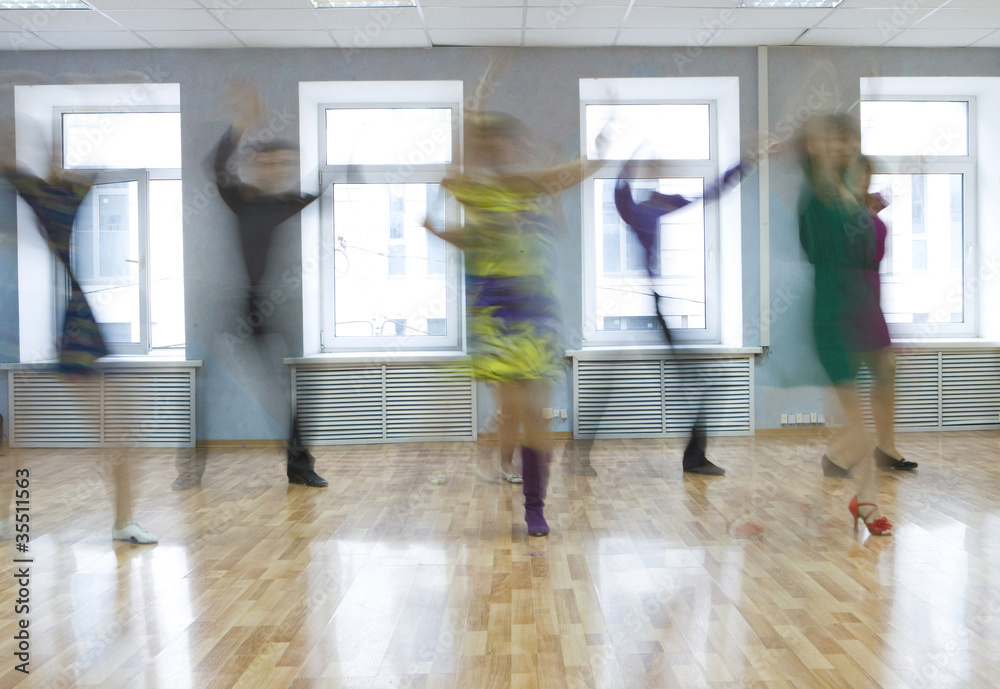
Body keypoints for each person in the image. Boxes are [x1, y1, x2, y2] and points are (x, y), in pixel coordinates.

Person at [426, 112, 602, 536]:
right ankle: (511, 473)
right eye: (495, 144)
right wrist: (467, 119)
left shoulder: (533, 186)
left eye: (510, 143)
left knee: (536, 417)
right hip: (498, 322)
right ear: (486, 150)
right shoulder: (477, 192)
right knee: (514, 411)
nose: (505, 150)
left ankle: (535, 508)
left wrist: (603, 149)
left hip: (538, 320)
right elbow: (453, 206)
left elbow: (580, 170)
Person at [0, 122, 157, 544]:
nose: (59, 161)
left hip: (80, 323)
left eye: (61, 153)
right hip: (74, 331)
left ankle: (122, 520)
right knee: (114, 433)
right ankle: (119, 521)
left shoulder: (67, 194)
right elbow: (10, 160)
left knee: (117, 433)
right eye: (52, 154)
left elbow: (96, 168)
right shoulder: (39, 193)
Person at [174, 81, 326, 489]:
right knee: (204, 383)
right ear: (257, 165)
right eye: (271, 164)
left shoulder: (286, 202)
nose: (278, 171)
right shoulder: (240, 197)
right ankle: (190, 469)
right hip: (234, 303)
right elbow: (217, 167)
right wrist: (241, 122)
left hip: (272, 306)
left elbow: (321, 194)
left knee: (291, 387)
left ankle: (299, 465)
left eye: (286, 165)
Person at [613, 160, 741, 477]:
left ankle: (694, 457)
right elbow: (620, 196)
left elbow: (711, 192)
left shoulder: (663, 206)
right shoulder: (641, 212)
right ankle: (694, 458)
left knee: (703, 382)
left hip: (664, 308)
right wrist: (628, 168)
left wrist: (745, 162)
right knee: (704, 381)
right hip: (658, 309)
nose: (664, 191)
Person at [798, 114, 892, 536]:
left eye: (850, 140)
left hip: (864, 309)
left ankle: (865, 501)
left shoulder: (852, 196)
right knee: (857, 428)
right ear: (817, 146)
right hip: (835, 315)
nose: (846, 147)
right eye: (836, 141)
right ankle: (861, 497)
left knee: (864, 420)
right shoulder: (818, 193)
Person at [856, 156, 917, 472]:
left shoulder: (865, 210)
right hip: (850, 299)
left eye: (867, 175)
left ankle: (886, 448)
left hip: (870, 299)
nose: (866, 181)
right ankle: (842, 452)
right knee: (845, 378)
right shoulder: (840, 212)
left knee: (885, 372)